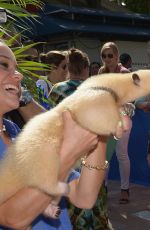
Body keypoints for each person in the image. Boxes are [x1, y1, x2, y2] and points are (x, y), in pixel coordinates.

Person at [0, 40, 130, 230]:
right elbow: (12, 217)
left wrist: (99, 133)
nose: (18, 75)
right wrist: (68, 153)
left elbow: (83, 195)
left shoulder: (17, 134)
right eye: (3, 64)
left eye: (16, 67)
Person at [99, 42, 135, 204]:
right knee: (104, 156)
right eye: (104, 56)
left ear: (116, 56)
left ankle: (125, 189)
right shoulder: (101, 72)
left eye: (110, 55)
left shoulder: (124, 72)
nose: (107, 59)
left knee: (121, 154)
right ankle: (102, 188)